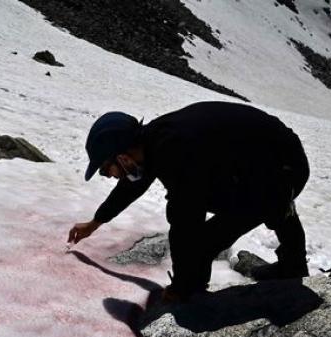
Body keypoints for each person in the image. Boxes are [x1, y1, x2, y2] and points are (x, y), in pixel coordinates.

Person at [68, 101, 310, 304]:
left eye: (104, 169)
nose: (108, 175)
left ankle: (289, 265)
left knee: (202, 239)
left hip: (284, 167)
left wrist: (181, 288)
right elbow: (132, 186)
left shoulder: (176, 153)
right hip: (271, 160)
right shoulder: (153, 141)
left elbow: (185, 221)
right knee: (227, 200)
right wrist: (95, 223)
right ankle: (291, 258)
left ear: (122, 157)